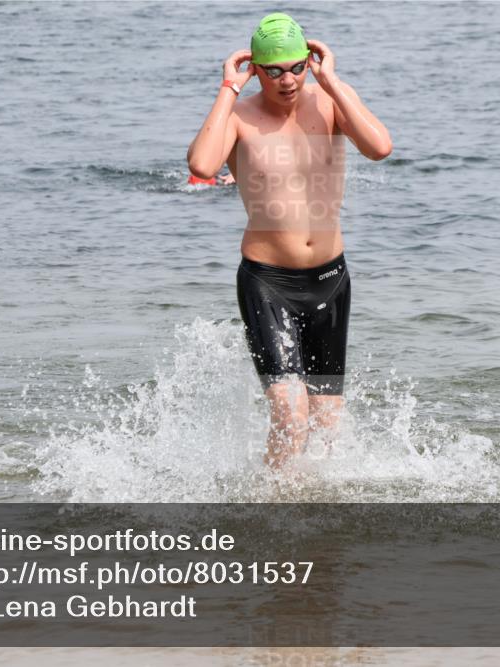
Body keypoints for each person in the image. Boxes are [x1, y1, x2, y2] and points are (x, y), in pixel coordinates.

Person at [187, 13, 392, 469]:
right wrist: (227, 89)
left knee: (326, 421)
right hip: (268, 282)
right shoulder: (239, 116)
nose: (287, 80)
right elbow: (202, 165)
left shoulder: (331, 102)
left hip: (331, 280)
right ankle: (273, 510)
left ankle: (313, 525)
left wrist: (332, 80)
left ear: (309, 62)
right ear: (255, 69)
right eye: (274, 70)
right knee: (289, 412)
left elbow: (379, 148)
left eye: (296, 67)